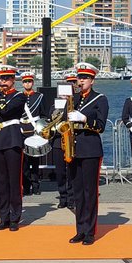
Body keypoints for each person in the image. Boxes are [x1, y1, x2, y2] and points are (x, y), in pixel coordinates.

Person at [66, 63, 108, 245]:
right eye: (79, 77)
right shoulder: (72, 99)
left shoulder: (100, 99)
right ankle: (80, 229)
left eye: (84, 78)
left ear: (92, 80)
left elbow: (100, 125)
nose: (80, 80)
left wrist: (84, 118)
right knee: (77, 192)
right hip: (73, 149)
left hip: (90, 149)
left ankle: (90, 231)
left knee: (90, 191)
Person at [0, 66, 27, 230]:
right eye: (1, 79)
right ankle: (3, 217)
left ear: (13, 80)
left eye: (6, 78)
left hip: (12, 139)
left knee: (14, 181)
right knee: (1, 181)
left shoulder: (19, 96)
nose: (3, 82)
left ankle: (14, 217)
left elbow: (6, 111)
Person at [53, 71, 79, 210]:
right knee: (60, 172)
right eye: (68, 83)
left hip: (72, 140)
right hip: (58, 140)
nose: (71, 85)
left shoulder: (78, 102)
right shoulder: (56, 103)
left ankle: (71, 197)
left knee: (72, 171)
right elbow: (51, 117)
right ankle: (63, 196)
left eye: (73, 82)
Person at [20, 72, 46, 195]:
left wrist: (41, 128)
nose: (27, 83)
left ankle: (35, 186)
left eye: (29, 81)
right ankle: (26, 186)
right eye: (25, 81)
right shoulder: (19, 97)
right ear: (22, 83)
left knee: (34, 161)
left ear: (33, 83)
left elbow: (44, 115)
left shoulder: (39, 96)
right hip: (22, 131)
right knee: (24, 162)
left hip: (34, 131)